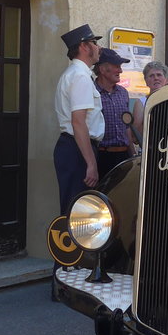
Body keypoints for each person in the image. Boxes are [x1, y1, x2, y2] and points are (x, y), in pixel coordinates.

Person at [53, 24, 103, 215]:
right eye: (95, 42)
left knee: (77, 210)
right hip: (78, 149)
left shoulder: (77, 74)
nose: (98, 47)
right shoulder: (80, 76)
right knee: (78, 213)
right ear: (84, 46)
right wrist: (90, 163)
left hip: (75, 147)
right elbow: (78, 122)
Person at [93, 48, 133, 177]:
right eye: (116, 66)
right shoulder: (91, 92)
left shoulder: (123, 92)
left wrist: (132, 156)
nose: (120, 70)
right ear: (103, 69)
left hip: (123, 156)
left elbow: (127, 126)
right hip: (101, 157)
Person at [129, 60, 168, 150]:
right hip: (149, 151)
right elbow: (136, 137)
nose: (156, 78)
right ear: (146, 81)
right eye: (151, 76)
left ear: (166, 80)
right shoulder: (141, 102)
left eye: (159, 75)